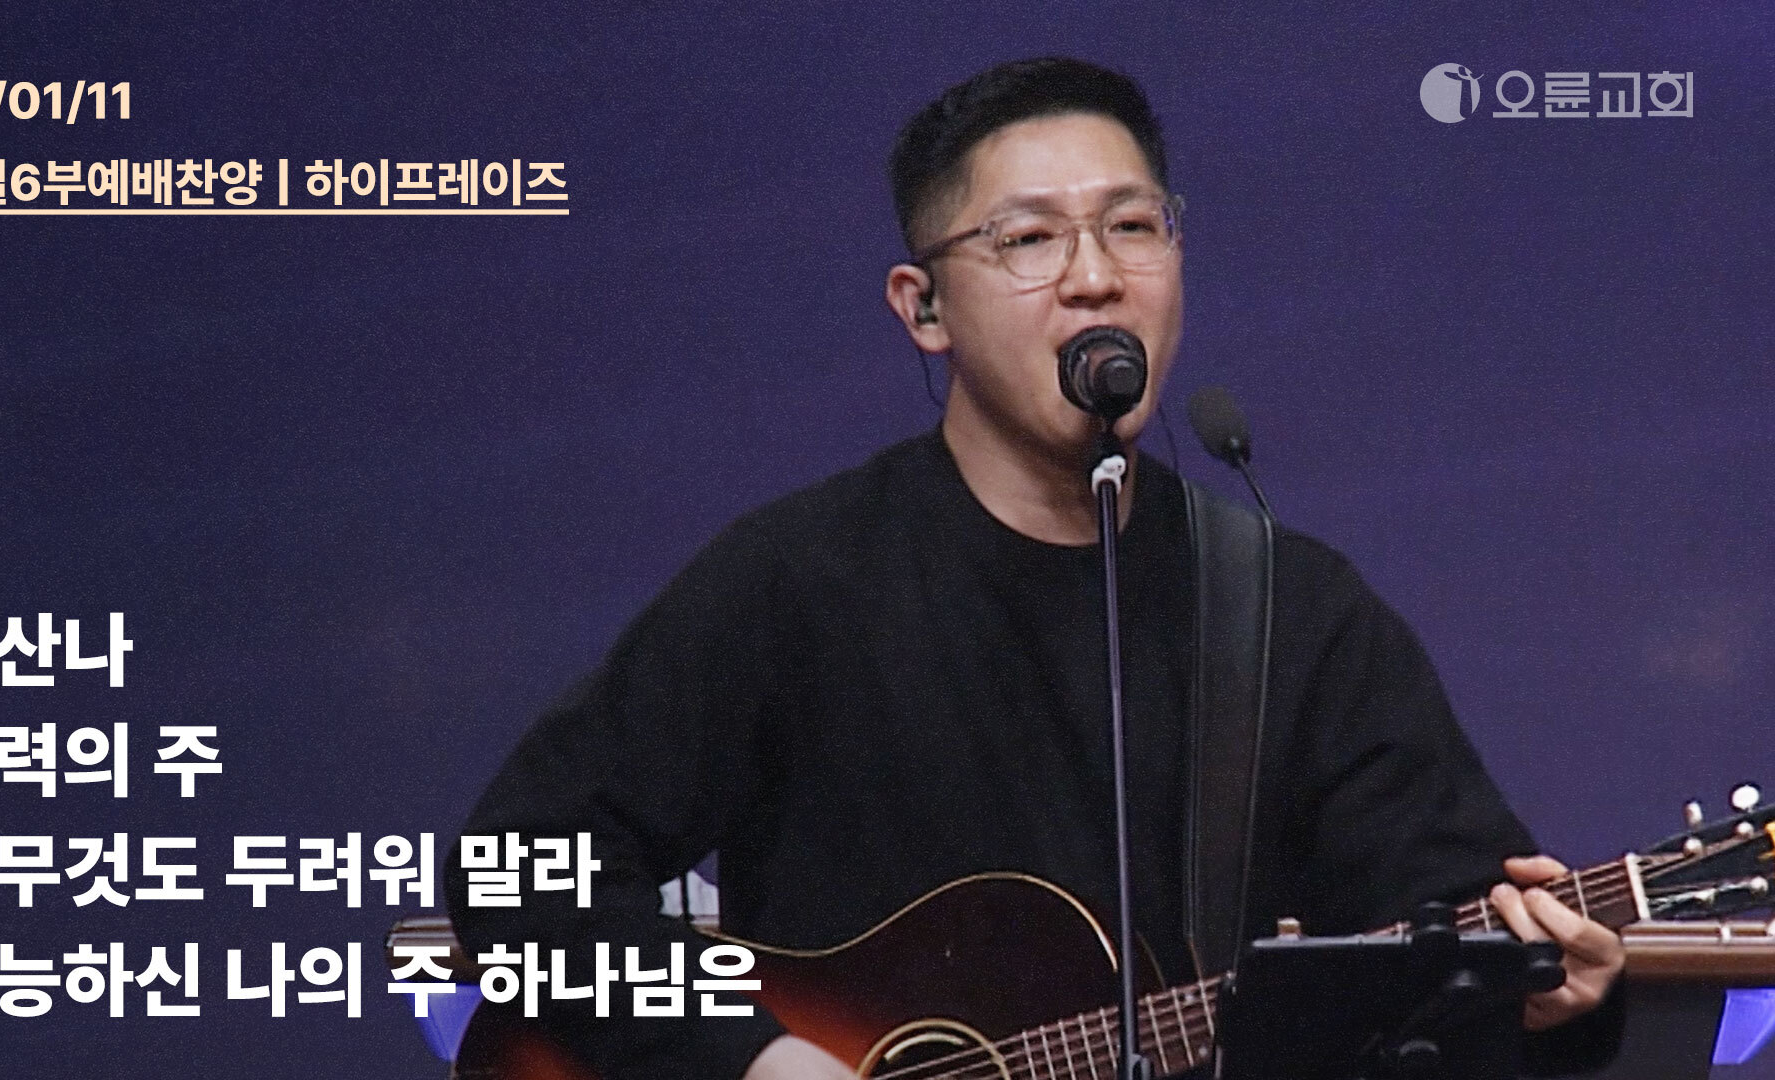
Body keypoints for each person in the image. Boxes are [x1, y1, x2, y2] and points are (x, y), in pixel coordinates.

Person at [445, 57, 1624, 1080]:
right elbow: (514, 874)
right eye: (1028, 239)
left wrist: (1547, 999)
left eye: (1133, 226)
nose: (1095, 275)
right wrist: (754, 1057)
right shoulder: (801, 581)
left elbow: (1441, 959)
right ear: (924, 309)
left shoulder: (1289, 614)